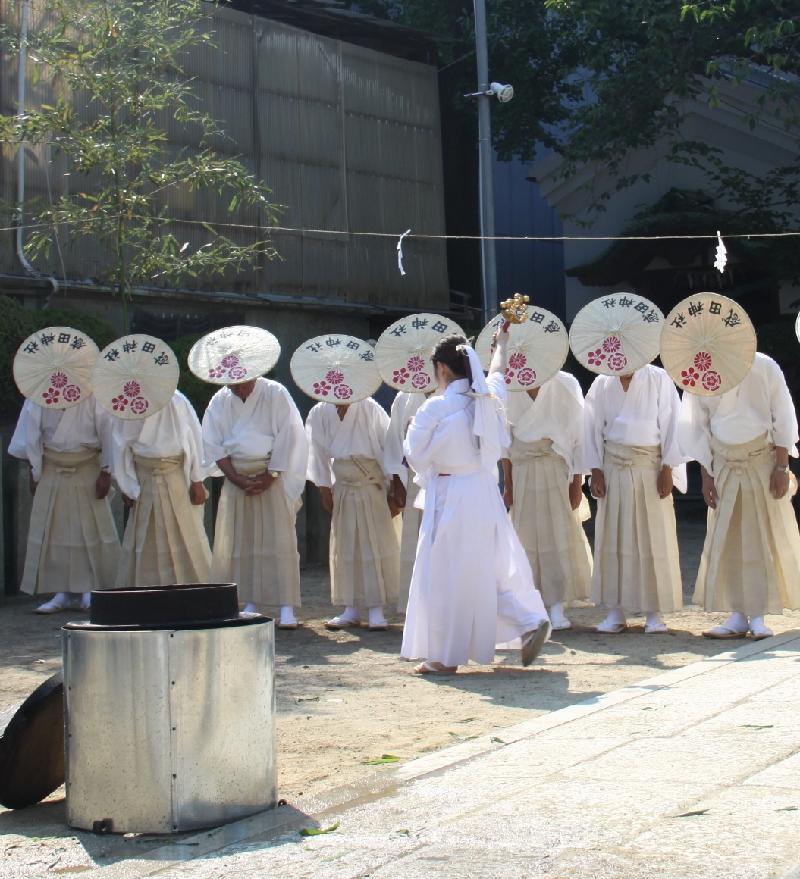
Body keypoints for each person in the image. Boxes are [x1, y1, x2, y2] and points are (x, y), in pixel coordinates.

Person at [401, 332, 550, 674]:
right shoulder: (490, 398)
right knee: (483, 569)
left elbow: (415, 455)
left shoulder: (435, 407)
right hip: (483, 493)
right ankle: (527, 620)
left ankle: (445, 655)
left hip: (451, 496)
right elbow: (498, 370)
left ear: (441, 368)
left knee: (446, 574)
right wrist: (502, 342)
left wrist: (409, 429)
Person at [679, 352, 800, 639]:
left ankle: (758, 614)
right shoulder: (698, 368)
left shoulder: (765, 365)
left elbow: (782, 413)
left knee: (758, 536)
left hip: (761, 459)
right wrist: (706, 473)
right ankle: (737, 614)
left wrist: (782, 465)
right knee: (728, 536)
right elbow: (697, 424)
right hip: (722, 462)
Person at [584, 364, 685, 633]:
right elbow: (591, 426)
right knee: (614, 537)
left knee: (652, 537)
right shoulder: (603, 383)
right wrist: (595, 469)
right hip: (612, 466)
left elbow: (672, 422)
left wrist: (667, 468)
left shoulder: (659, 378)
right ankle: (616, 612)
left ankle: (654, 613)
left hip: (649, 466)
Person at [202, 376, 308, 625]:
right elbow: (212, 442)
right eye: (232, 384)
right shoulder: (220, 400)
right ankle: (248, 600)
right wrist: (234, 477)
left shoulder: (275, 392)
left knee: (279, 540)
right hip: (236, 477)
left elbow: (289, 433)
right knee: (241, 540)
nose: (237, 388)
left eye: (241, 383)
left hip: (270, 474)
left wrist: (271, 474)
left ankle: (286, 606)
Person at [9, 395, 120, 612]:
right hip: (51, 466)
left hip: (87, 466)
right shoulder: (39, 396)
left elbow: (108, 433)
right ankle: (61, 592)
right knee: (55, 530)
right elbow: (30, 435)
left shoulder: (93, 395)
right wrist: (35, 470)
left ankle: (91, 589)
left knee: (89, 529)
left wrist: (106, 471)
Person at [501, 372, 592, 630]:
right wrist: (507, 484)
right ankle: (531, 605)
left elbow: (579, 437)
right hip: (521, 470)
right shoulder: (507, 386)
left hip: (555, 467)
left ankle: (557, 605)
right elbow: (504, 442)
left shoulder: (565, 383)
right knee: (524, 536)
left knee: (557, 535)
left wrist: (577, 482)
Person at [306, 395, 400, 631]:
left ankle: (376, 608)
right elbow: (316, 451)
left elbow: (388, 448)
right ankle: (350, 608)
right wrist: (324, 487)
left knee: (373, 544)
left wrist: (395, 487)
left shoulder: (370, 408)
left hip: (370, 484)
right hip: (343, 487)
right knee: (346, 545)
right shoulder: (319, 412)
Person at [112, 389, 211, 587]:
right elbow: (120, 446)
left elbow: (193, 439)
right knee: (144, 537)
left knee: (184, 534)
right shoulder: (127, 402)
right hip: (143, 478)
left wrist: (197, 480)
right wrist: (126, 484)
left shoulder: (177, 400)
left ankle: (192, 589)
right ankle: (145, 590)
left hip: (175, 474)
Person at [384, 390, 428, 612]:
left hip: (447, 477)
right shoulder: (405, 397)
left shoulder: (459, 390)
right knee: (415, 539)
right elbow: (394, 443)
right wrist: (397, 482)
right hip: (414, 478)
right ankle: (416, 605)